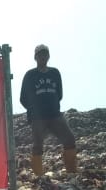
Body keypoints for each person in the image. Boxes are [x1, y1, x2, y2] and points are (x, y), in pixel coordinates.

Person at [19, 44, 78, 176]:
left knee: (69, 140)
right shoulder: (30, 75)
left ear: (48, 56)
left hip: (55, 115)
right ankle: (38, 175)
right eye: (40, 54)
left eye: (45, 54)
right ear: (35, 57)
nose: (43, 57)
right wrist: (34, 111)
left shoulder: (55, 73)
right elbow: (23, 97)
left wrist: (53, 105)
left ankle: (72, 172)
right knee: (38, 145)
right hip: (38, 118)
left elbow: (59, 94)